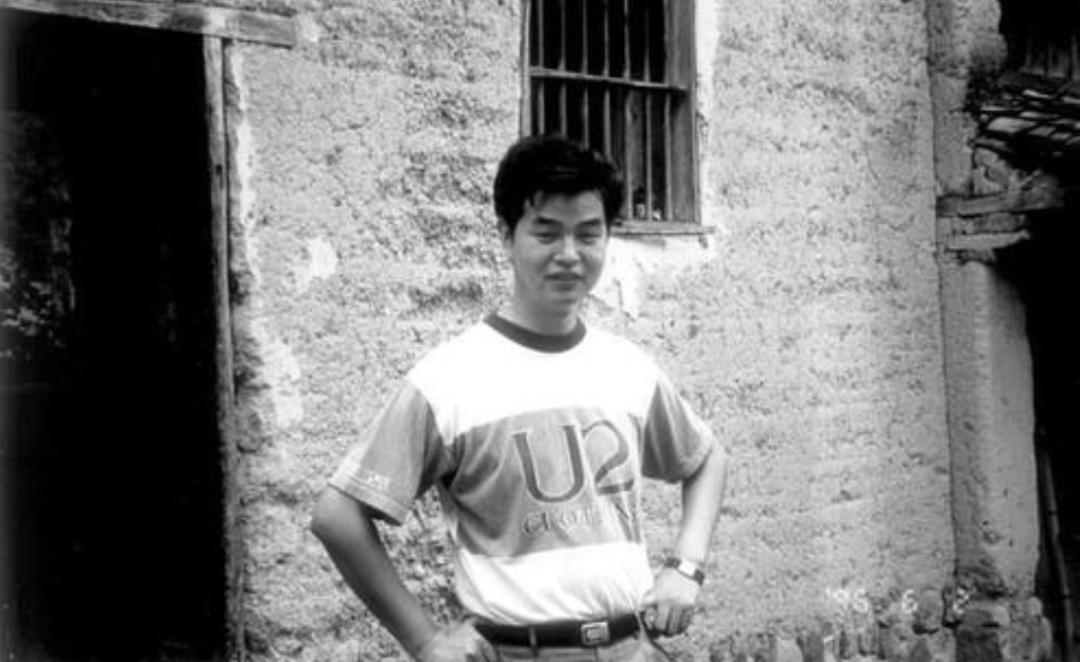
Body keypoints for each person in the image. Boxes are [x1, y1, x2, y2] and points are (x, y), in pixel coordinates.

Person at [311, 134, 728, 662]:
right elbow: (337, 515)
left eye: (589, 234)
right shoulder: (449, 379)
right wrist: (424, 640)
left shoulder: (627, 368)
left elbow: (707, 459)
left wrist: (686, 567)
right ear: (507, 236)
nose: (569, 255)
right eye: (547, 233)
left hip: (632, 648)